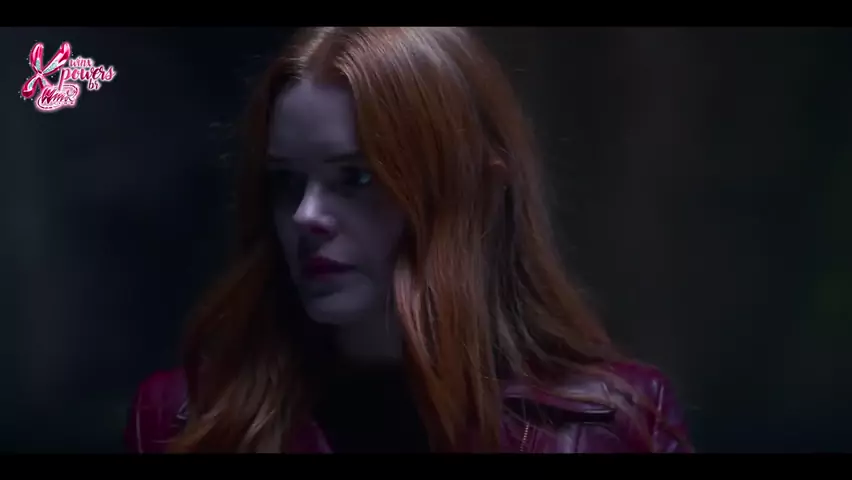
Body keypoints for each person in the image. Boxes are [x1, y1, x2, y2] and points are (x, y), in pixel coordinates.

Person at [125, 26, 693, 453]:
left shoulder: (609, 428)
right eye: (287, 182)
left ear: (478, 190)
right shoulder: (187, 423)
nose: (306, 215)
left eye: (357, 178)